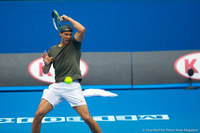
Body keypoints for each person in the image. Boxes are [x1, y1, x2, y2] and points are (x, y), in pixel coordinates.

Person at [32, 15, 102, 133]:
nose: (69, 37)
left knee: (87, 118)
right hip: (57, 86)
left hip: (73, 87)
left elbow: (82, 29)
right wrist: (47, 63)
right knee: (38, 115)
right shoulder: (52, 49)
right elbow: (45, 71)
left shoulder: (75, 44)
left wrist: (68, 19)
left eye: (70, 34)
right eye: (66, 34)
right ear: (60, 34)